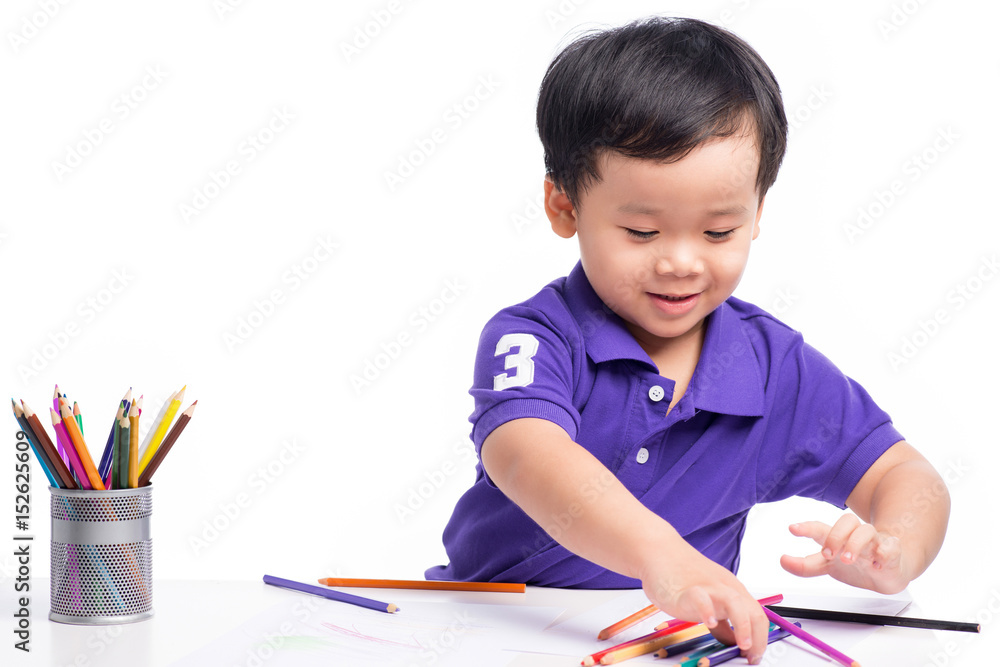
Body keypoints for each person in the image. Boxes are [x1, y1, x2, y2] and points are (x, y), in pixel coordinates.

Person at [426, 16, 949, 663]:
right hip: (483, 637)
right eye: (642, 232)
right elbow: (526, 455)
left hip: (671, 649)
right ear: (564, 207)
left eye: (718, 231)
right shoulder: (535, 336)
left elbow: (906, 474)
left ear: (757, 213)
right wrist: (662, 553)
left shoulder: (772, 367)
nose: (680, 261)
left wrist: (896, 549)